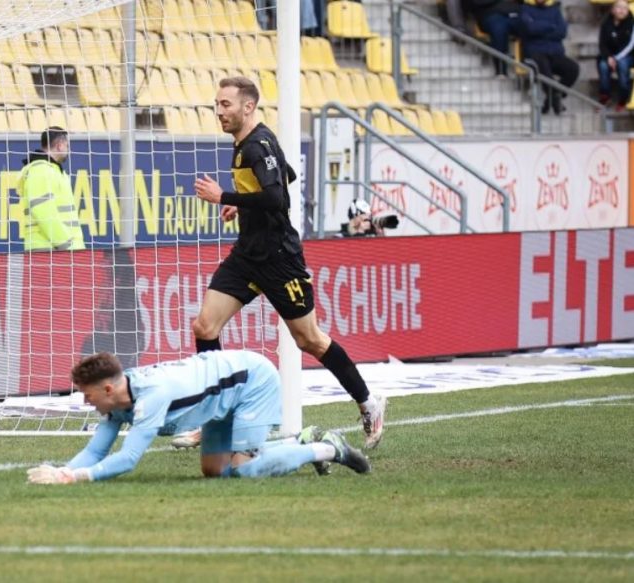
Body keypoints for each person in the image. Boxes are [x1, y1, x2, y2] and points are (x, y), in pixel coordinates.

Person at [178, 77, 387, 452]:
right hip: (247, 254)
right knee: (205, 325)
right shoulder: (253, 140)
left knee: (309, 339)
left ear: (247, 107)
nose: (219, 111)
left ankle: (368, 402)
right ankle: (217, 418)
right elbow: (286, 174)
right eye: (217, 104)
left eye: (226, 104)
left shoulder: (257, 145)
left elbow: (278, 197)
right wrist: (240, 200)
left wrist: (223, 195)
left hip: (278, 258)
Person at [26, 350, 371, 484]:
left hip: (251, 381)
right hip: (220, 395)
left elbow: (129, 459)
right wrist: (64, 470)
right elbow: (97, 450)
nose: (86, 404)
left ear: (105, 390)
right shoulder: (118, 396)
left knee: (244, 468)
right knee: (214, 471)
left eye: (87, 396)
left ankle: (328, 448)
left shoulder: (150, 398)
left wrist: (75, 479)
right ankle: (298, 441)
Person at [16, 126, 85, 251]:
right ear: (60, 145)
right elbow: (42, 210)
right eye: (67, 146)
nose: (68, 150)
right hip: (50, 250)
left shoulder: (52, 170)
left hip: (56, 249)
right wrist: (65, 244)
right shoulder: (41, 170)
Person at [515, 0, 580, 115]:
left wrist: (540, 27)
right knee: (544, 71)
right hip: (535, 53)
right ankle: (555, 99)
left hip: (555, 53)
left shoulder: (555, 9)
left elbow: (562, 32)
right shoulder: (525, 9)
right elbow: (530, 29)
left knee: (573, 69)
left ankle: (552, 98)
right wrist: (551, 26)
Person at [465, 0, 521, 76]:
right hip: (491, 15)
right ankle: (501, 71)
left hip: (517, 13)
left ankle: (533, 70)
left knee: (532, 25)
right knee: (499, 29)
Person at [597, 0, 634, 110]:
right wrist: (608, 57)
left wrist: (616, 58)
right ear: (612, 10)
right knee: (603, 66)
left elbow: (630, 45)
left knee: (622, 65)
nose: (622, 11)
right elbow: (602, 44)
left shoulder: (631, 23)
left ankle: (623, 99)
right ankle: (605, 96)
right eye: (619, 7)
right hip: (610, 56)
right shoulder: (605, 24)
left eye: (625, 8)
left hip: (627, 55)